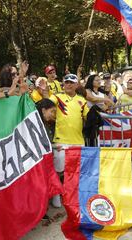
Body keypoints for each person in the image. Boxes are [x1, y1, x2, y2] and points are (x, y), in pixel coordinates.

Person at [49, 74, 89, 207]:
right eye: (66, 82)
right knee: (58, 169)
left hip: (78, 141)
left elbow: (88, 116)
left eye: (72, 82)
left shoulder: (82, 100)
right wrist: (43, 92)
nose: (69, 85)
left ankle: (71, 195)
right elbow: (47, 104)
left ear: (77, 85)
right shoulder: (57, 97)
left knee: (75, 171)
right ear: (63, 84)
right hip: (60, 140)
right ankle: (56, 194)